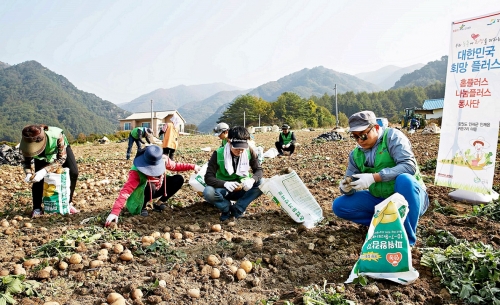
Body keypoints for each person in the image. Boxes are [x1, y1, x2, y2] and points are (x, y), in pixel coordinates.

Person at [332, 111, 428, 246]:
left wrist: (375, 177)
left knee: (405, 180)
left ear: (376, 128)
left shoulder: (392, 137)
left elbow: (409, 166)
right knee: (340, 206)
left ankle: (406, 240)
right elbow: (350, 179)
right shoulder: (356, 154)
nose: (360, 141)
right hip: (381, 199)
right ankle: (384, 224)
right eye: (355, 137)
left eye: (363, 136)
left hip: (410, 197)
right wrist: (346, 187)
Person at [105, 145, 201, 226]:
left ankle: (159, 203)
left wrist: (193, 166)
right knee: (150, 185)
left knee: (178, 179)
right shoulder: (136, 171)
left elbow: (175, 166)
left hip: (158, 187)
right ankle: (142, 207)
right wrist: (115, 212)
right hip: (142, 193)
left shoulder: (163, 159)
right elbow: (125, 191)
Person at [203, 126, 263, 221]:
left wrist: (251, 180)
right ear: (229, 142)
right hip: (223, 189)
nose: (240, 151)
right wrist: (225, 183)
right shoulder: (218, 154)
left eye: (242, 148)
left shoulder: (249, 151)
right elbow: (208, 177)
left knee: (262, 183)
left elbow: (259, 170)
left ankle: (238, 208)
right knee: (208, 192)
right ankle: (226, 208)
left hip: (242, 187)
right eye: (237, 148)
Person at [19, 124, 79, 217]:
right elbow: (26, 162)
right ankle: (37, 208)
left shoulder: (57, 135)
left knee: (74, 172)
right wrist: (28, 173)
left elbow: (61, 159)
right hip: (41, 157)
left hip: (59, 149)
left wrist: (45, 171)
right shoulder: (26, 143)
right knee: (38, 180)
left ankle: (68, 203)